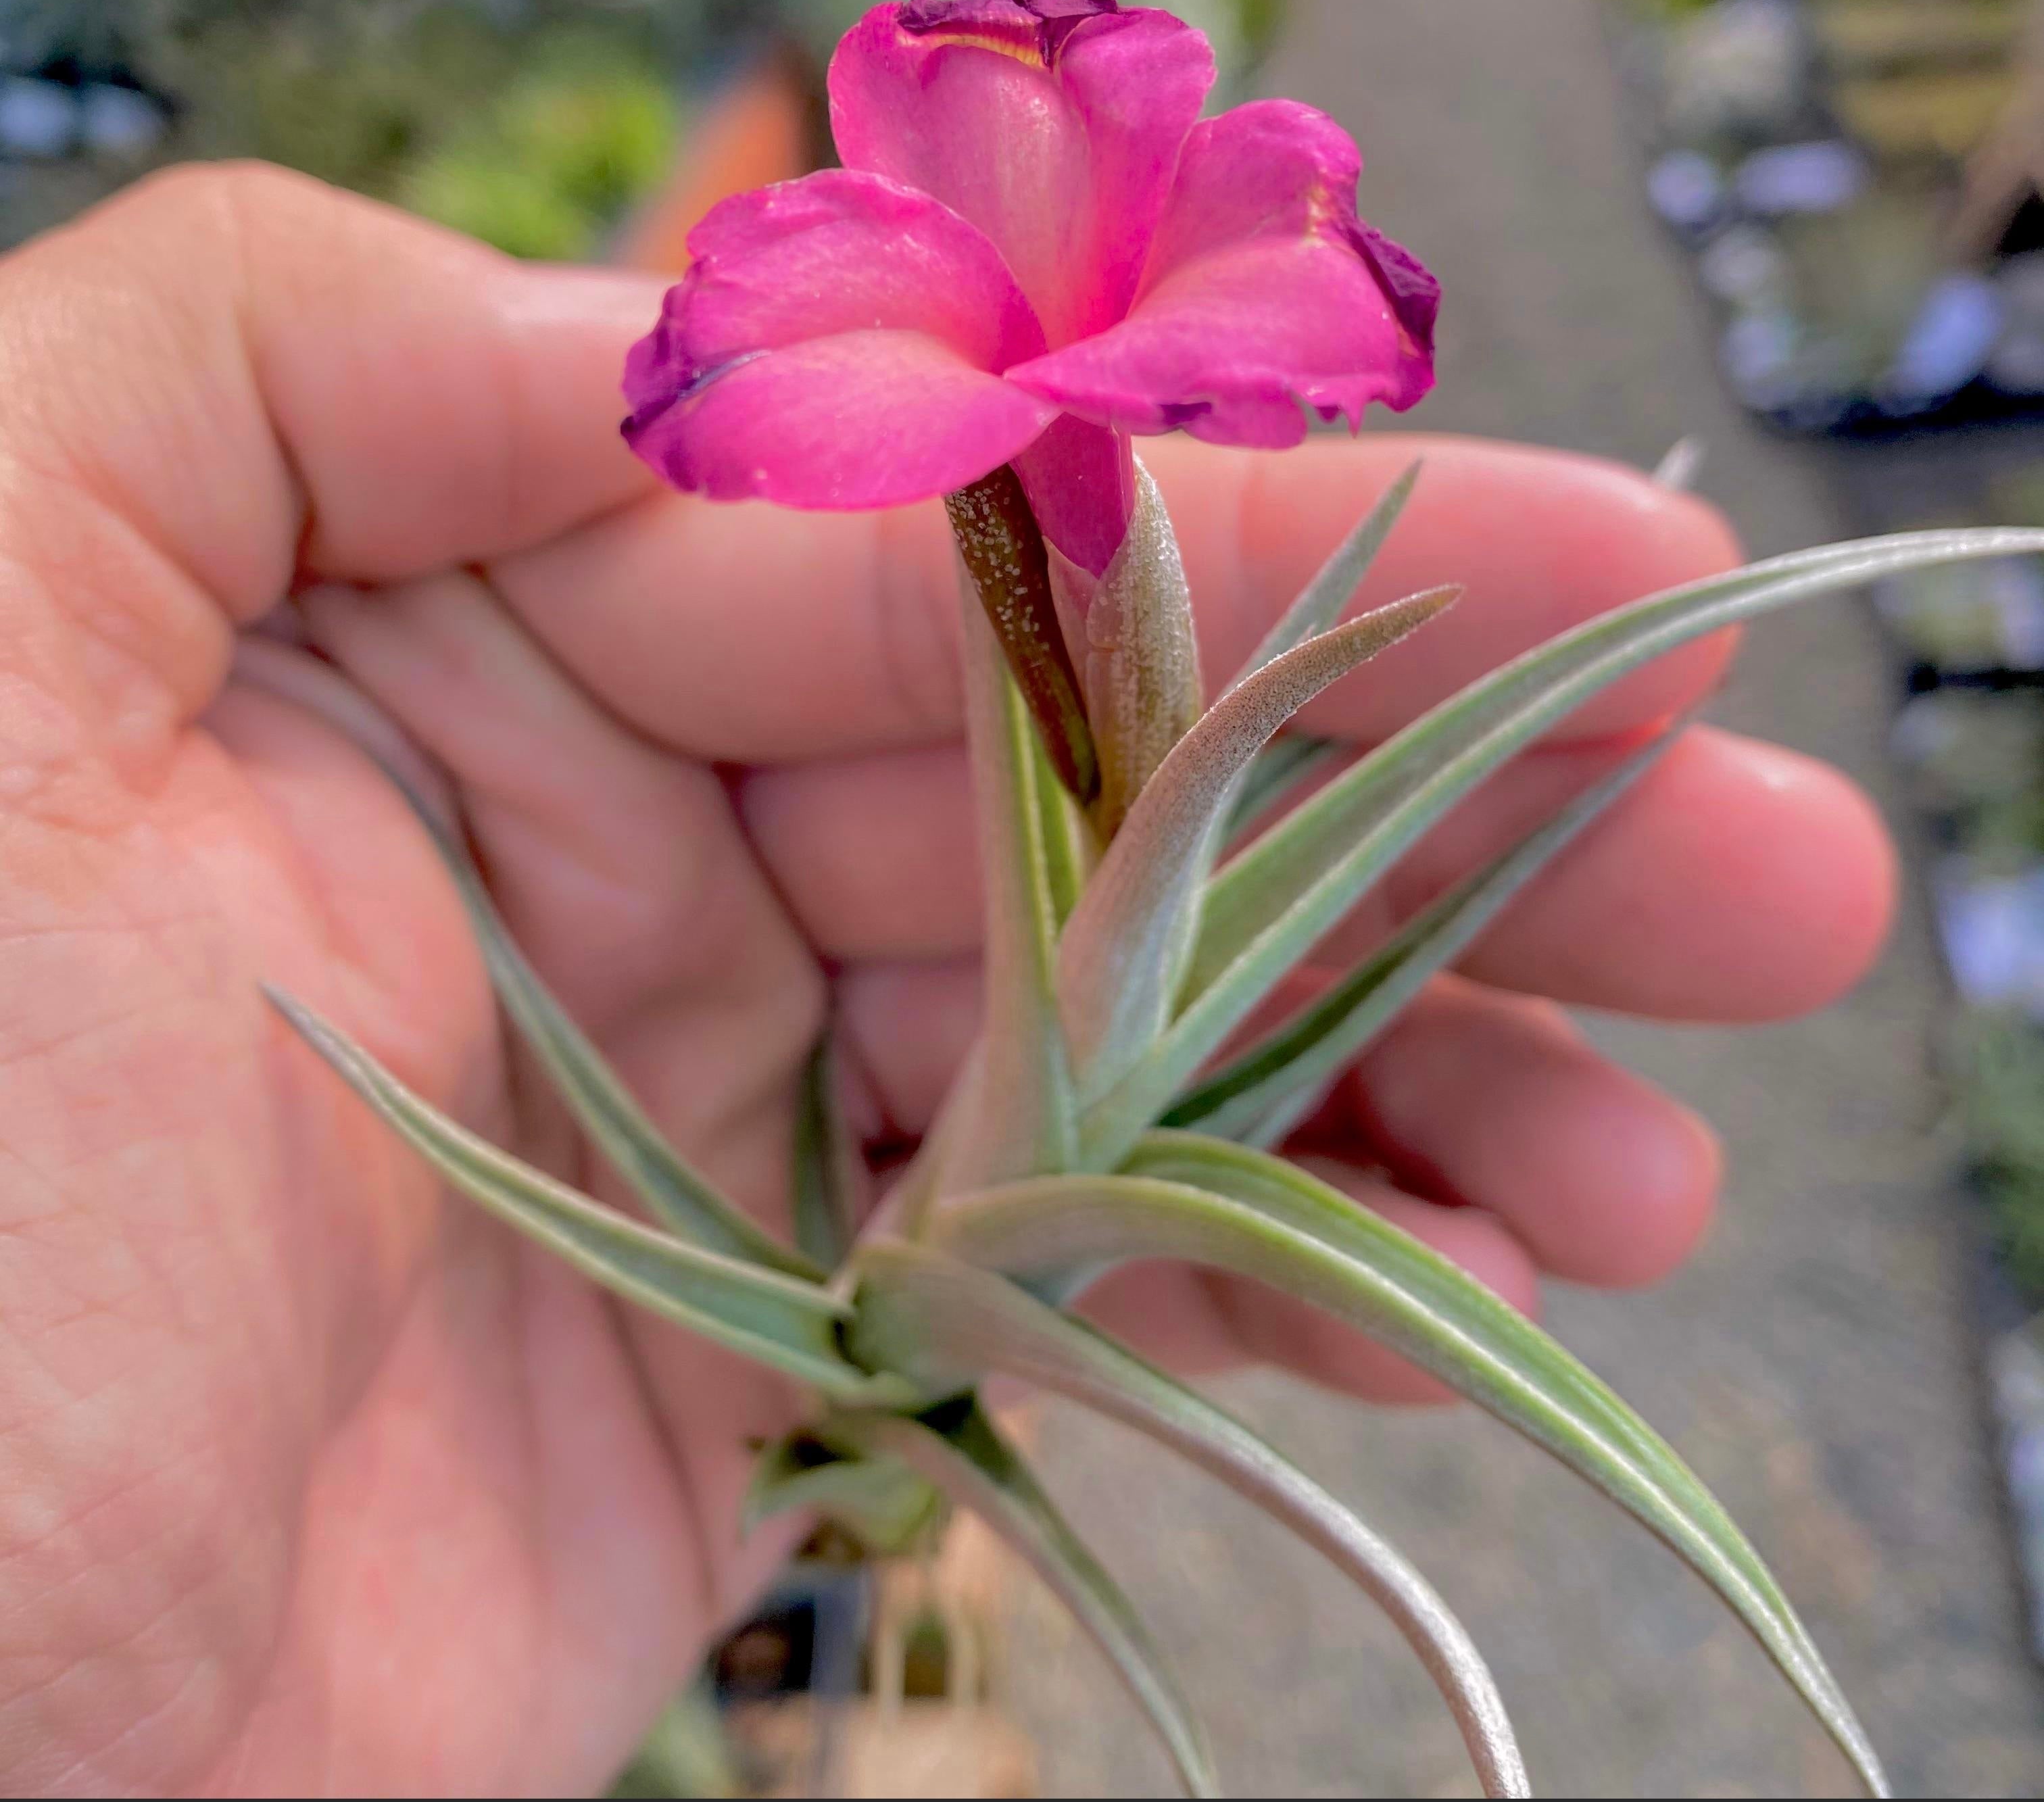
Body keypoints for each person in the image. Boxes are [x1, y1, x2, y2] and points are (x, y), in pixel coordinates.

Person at [0, 164, 1893, 1793]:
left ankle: (876, 1437)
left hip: (831, 1242)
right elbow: (724, 378)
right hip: (830, 1240)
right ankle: (877, 1424)